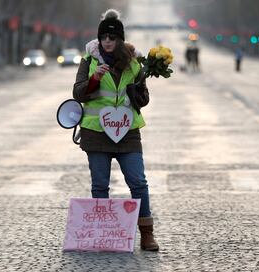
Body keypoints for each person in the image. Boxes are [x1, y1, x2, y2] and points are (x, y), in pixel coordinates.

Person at [72, 9, 159, 251]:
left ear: (120, 39)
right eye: (104, 38)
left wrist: (138, 92)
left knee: (138, 182)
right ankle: (102, 234)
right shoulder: (89, 61)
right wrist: (95, 79)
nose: (107, 42)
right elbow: (78, 93)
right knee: (100, 185)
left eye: (112, 38)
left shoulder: (134, 63)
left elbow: (144, 98)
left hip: (127, 131)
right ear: (99, 39)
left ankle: (147, 234)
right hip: (96, 132)